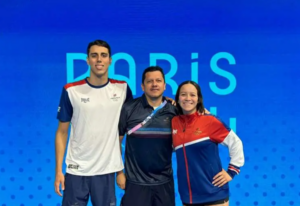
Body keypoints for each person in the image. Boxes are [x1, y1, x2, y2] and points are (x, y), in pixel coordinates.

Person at [54, 40, 133, 206]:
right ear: (87, 60)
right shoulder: (71, 90)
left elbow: (139, 113)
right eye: (94, 55)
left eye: (103, 55)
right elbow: (62, 132)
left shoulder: (122, 89)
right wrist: (58, 171)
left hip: (105, 171)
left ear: (110, 60)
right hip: (76, 170)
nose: (99, 59)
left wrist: (167, 102)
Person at [172, 81, 245, 206]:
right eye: (183, 94)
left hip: (213, 194)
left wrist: (232, 171)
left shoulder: (210, 121)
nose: (188, 98)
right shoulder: (174, 122)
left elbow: (235, 142)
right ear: (178, 98)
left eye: (192, 95)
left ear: (198, 99)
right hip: (188, 197)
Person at [117, 66, 177, 206]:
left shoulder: (174, 111)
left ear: (164, 85)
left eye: (158, 81)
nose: (154, 84)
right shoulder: (129, 108)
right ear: (142, 86)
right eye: (150, 81)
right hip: (135, 183)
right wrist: (119, 173)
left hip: (164, 183)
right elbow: (116, 142)